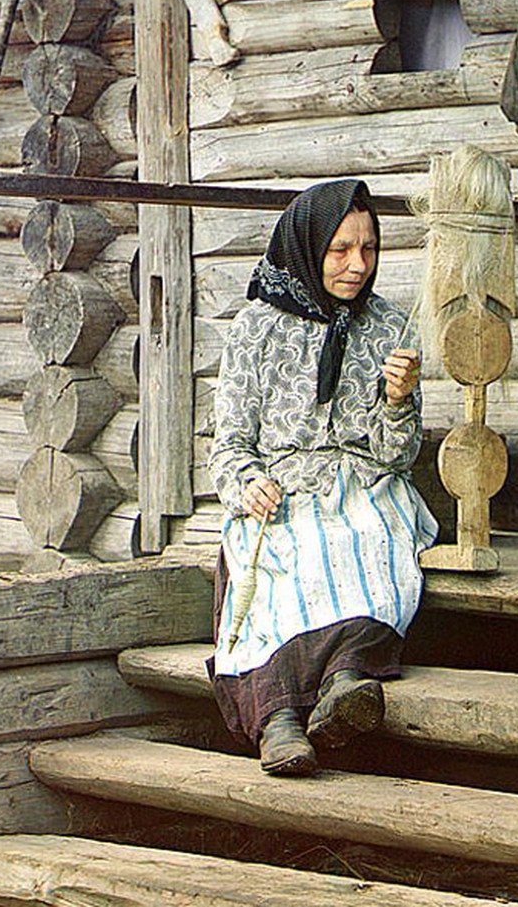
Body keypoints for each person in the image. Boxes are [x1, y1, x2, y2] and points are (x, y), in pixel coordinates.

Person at [206, 178, 438, 776]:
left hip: (362, 483)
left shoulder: (388, 329)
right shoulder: (255, 329)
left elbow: (396, 456)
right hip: (279, 488)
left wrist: (398, 403)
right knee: (285, 551)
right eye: (340, 249)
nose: (357, 265)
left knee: (363, 535)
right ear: (309, 246)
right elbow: (228, 443)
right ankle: (278, 722)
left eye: (369, 249)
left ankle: (344, 686)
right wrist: (246, 480)